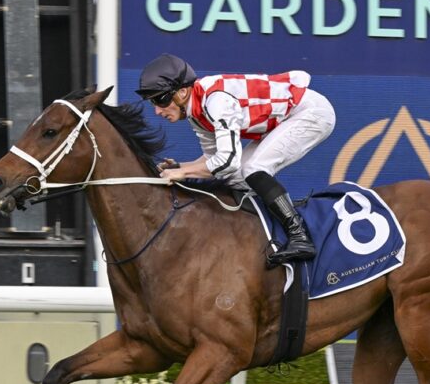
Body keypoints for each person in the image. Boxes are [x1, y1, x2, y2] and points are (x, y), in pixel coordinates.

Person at [134, 53, 336, 266]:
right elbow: (215, 159)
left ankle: (299, 236)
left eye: (160, 99)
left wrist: (182, 173)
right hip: (285, 117)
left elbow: (227, 161)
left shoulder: (216, 101)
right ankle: (259, 234)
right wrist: (182, 166)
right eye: (153, 103)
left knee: (253, 169)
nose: (157, 110)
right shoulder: (196, 113)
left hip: (311, 113)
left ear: (182, 92)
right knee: (236, 178)